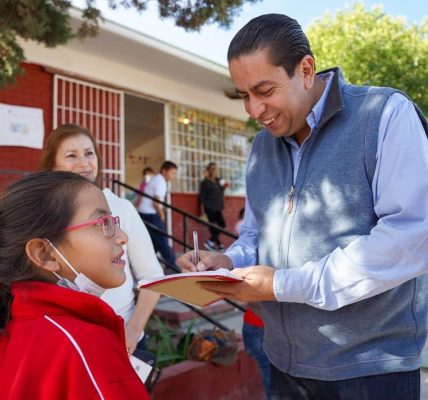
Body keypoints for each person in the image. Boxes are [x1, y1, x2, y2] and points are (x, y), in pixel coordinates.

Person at [177, 13, 428, 400]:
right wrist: (227, 261)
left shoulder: (384, 114)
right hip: (285, 365)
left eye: (264, 90)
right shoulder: (261, 147)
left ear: (306, 70)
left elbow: (411, 237)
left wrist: (283, 285)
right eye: (244, 95)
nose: (254, 110)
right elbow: (256, 234)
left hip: (372, 370)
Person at [0, 171, 149, 398]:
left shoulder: (17, 322)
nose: (123, 237)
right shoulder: (85, 344)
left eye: (113, 221)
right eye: (102, 223)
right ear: (44, 253)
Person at [40, 124, 164, 355]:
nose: (84, 163)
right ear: (52, 165)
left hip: (120, 338)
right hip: (65, 343)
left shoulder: (122, 207)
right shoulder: (42, 214)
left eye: (89, 153)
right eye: (71, 155)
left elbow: (153, 277)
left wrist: (133, 330)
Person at [138, 161, 178, 269]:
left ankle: (148, 263)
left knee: (153, 241)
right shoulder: (161, 181)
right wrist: (161, 214)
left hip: (144, 212)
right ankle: (172, 265)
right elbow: (156, 201)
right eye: (172, 173)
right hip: (150, 214)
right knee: (162, 239)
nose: (173, 176)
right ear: (164, 171)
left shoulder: (156, 178)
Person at [199, 162, 228, 250]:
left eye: (215, 168)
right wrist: (202, 210)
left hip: (218, 206)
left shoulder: (219, 180)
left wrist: (224, 186)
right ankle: (217, 244)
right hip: (209, 207)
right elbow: (202, 197)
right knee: (212, 227)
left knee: (222, 224)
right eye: (211, 168)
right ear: (208, 170)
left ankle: (211, 242)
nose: (213, 170)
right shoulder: (205, 182)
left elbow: (225, 187)